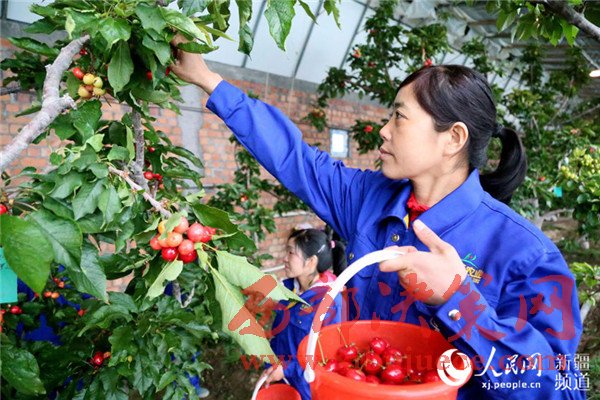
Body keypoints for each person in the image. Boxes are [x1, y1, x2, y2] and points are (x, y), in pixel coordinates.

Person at [170, 38, 584, 399]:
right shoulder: (367, 198)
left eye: (399, 117)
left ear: (453, 138)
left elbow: (560, 389)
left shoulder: (525, 254)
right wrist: (208, 80)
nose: (384, 130)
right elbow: (296, 159)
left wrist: (458, 300)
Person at [260, 228, 344, 399]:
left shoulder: (329, 302)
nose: (285, 258)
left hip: (307, 389)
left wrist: (287, 369)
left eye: (291, 253)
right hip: (279, 379)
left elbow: (328, 357)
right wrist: (271, 364)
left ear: (311, 261)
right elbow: (279, 333)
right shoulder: (288, 289)